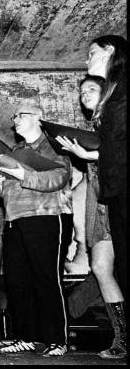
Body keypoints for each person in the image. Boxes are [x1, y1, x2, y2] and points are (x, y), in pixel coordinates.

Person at [0, 98, 72, 357]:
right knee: (18, 282)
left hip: (47, 216)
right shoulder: (16, 151)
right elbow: (8, 190)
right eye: (14, 116)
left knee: (46, 279)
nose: (15, 120)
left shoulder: (53, 146)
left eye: (20, 115)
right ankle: (25, 337)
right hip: (15, 219)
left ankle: (57, 340)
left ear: (38, 118)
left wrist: (22, 175)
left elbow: (59, 178)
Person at [56, 75, 125, 359]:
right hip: (99, 202)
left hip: (118, 199)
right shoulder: (95, 129)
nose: (84, 93)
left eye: (92, 89)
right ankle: (122, 339)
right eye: (82, 91)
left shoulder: (117, 123)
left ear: (107, 93)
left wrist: (89, 155)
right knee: (100, 266)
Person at [82, 35, 127, 302]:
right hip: (115, 189)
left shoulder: (122, 88)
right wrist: (90, 154)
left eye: (91, 53)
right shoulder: (113, 92)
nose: (86, 60)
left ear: (109, 51)